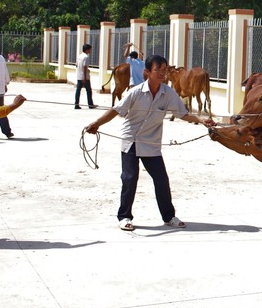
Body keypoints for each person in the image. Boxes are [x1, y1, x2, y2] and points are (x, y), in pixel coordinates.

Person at [84, 54, 215, 231]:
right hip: (131, 140)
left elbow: (182, 113)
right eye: (157, 70)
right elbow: (116, 110)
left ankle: (169, 216)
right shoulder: (135, 92)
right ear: (147, 72)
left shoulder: (167, 93)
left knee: (161, 179)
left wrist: (201, 120)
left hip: (151, 143)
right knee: (129, 178)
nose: (162, 74)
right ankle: (124, 217)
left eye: (164, 70)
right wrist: (96, 124)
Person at [74, 43, 97, 109]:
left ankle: (76, 104)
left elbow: (77, 65)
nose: (90, 51)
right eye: (89, 50)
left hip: (79, 76)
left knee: (78, 91)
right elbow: (84, 67)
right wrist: (84, 77)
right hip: (85, 77)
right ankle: (90, 104)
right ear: (87, 50)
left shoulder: (79, 56)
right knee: (89, 91)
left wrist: (86, 69)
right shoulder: (86, 57)